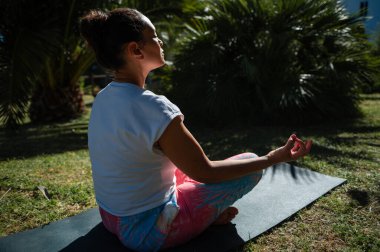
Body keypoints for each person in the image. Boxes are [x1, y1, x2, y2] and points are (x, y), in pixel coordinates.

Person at [80, 8, 312, 252]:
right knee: (251, 164)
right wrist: (271, 158)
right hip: (148, 231)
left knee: (179, 167)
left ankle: (202, 213)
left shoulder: (103, 98)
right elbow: (206, 172)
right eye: (154, 36)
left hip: (111, 218)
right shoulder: (154, 107)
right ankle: (207, 218)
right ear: (135, 50)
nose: (160, 41)